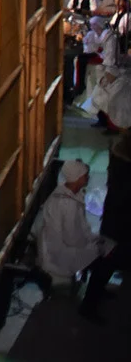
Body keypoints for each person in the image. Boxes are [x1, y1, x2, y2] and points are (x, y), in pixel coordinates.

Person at [35, 159, 113, 288]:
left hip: (64, 246)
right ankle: (91, 299)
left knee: (107, 247)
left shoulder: (69, 196)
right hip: (59, 253)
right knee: (105, 258)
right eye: (85, 175)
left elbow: (82, 229)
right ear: (77, 177)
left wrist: (95, 239)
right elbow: (72, 238)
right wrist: (95, 245)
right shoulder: (66, 203)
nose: (88, 177)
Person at [82, 131, 131, 320]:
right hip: (119, 225)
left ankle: (95, 295)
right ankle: (89, 306)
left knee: (108, 261)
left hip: (115, 222)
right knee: (107, 261)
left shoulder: (119, 162)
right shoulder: (125, 171)